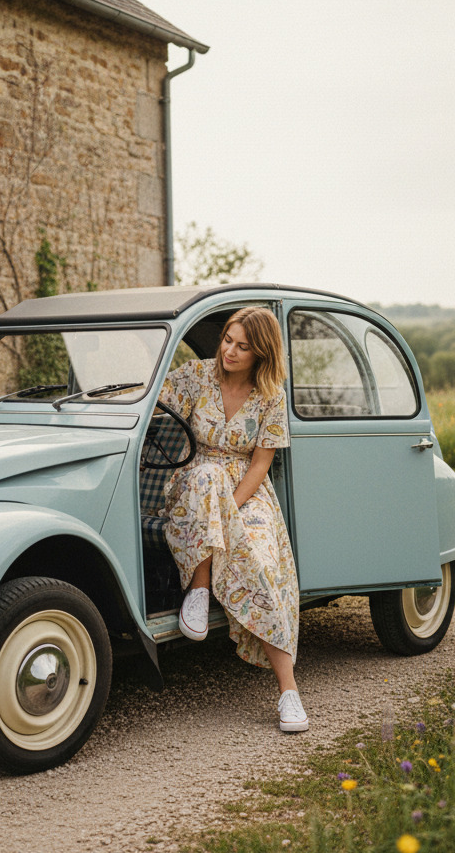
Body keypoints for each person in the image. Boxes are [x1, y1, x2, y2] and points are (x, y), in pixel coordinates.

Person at [157, 306, 307, 732]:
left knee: (261, 559)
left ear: (261, 353)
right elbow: (151, 401)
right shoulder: (196, 375)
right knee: (208, 477)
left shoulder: (271, 396)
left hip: (246, 489)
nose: (230, 351)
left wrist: (231, 509)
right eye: (227, 340)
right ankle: (199, 589)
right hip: (193, 482)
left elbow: (260, 465)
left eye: (243, 346)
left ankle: (289, 691)